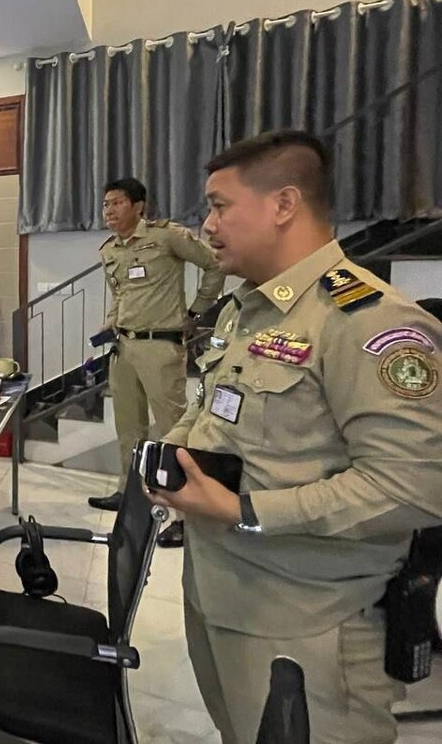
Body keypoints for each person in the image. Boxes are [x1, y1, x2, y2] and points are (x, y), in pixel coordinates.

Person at [147, 130, 442, 744]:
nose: (207, 225)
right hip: (221, 594)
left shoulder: (367, 320)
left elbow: (413, 487)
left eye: (220, 206)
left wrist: (245, 510)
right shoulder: (246, 309)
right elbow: (215, 408)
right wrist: (171, 455)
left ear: (284, 204)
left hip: (306, 625)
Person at [88, 178, 224, 532]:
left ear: (139, 206)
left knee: (173, 428)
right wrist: (109, 325)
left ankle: (184, 513)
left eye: (117, 202)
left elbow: (214, 265)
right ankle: (128, 491)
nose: (109, 210)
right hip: (123, 347)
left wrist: (197, 311)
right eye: (105, 204)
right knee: (128, 428)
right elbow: (120, 295)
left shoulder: (167, 236)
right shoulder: (109, 251)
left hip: (160, 346)